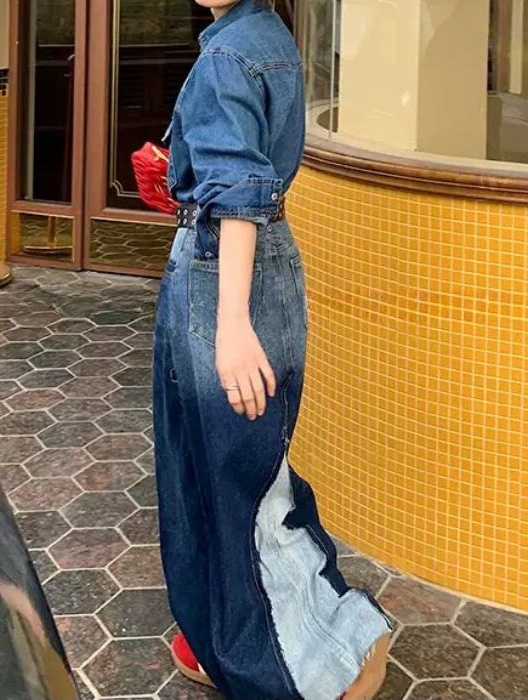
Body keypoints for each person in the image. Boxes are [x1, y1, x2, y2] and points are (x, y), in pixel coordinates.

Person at [152, 2, 393, 699]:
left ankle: (312, 660)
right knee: (243, 468)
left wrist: (231, 321)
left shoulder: (231, 54)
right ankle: (229, 633)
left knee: (231, 478)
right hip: (255, 261)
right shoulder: (263, 37)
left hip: (223, 276)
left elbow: (236, 195)